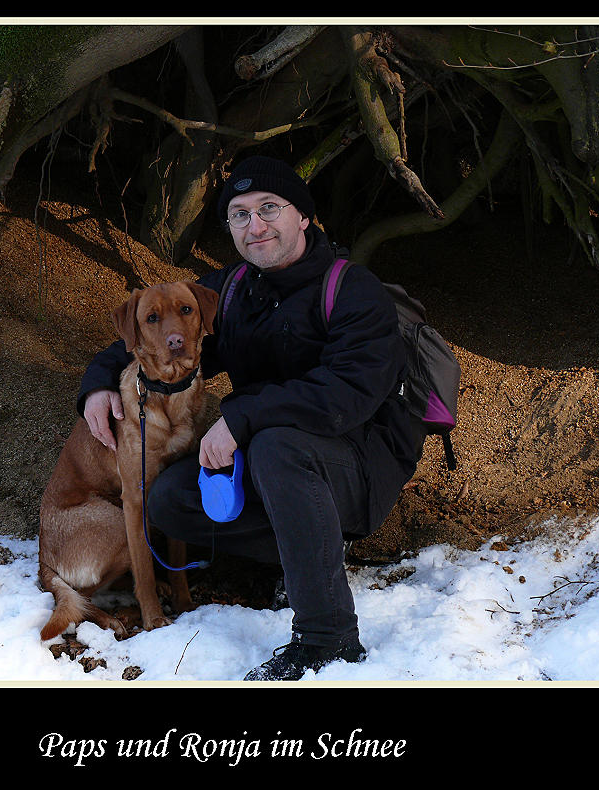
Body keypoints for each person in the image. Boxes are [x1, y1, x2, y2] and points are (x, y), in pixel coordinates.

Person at [77, 155, 421, 680]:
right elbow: (159, 334)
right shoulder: (234, 290)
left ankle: (327, 637)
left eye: (269, 208)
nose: (254, 225)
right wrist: (98, 385)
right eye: (239, 214)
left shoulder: (352, 290)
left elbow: (347, 396)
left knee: (278, 445)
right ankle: (297, 559)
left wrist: (243, 420)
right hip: (271, 467)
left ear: (302, 216)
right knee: (170, 500)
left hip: (356, 466)